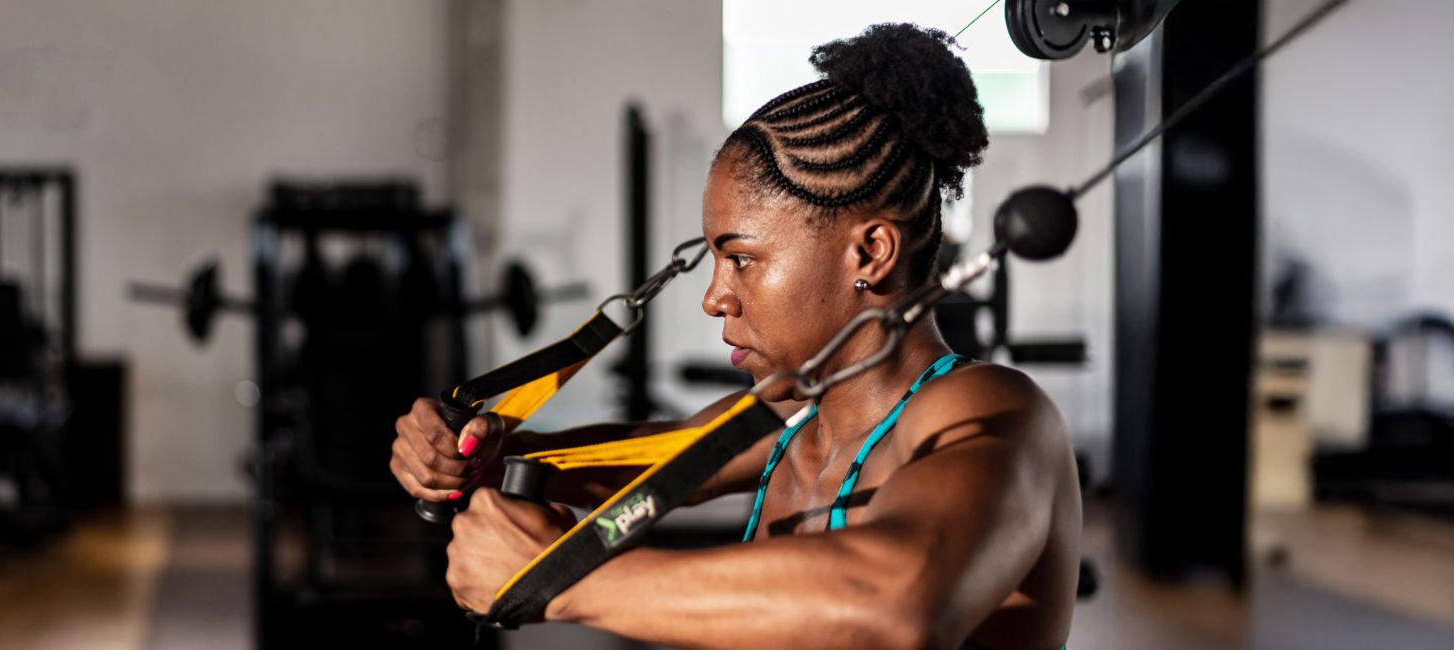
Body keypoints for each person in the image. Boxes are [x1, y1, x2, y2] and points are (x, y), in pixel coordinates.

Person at [388, 23, 1079, 650]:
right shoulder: (798, 411)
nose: (714, 296)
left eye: (742, 258)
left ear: (869, 253)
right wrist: (484, 454)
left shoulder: (996, 415)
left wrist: (568, 580)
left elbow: (896, 601)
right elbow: (653, 464)